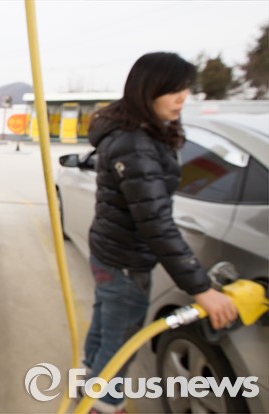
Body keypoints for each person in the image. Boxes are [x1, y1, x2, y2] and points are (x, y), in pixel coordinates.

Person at [83, 52, 238, 414]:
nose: (183, 97)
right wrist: (201, 289)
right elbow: (155, 222)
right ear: (147, 89)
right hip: (126, 261)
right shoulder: (136, 143)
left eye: (185, 88)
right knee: (120, 342)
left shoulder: (127, 132)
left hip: (109, 252)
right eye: (172, 89)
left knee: (106, 327)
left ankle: (88, 386)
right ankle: (102, 405)